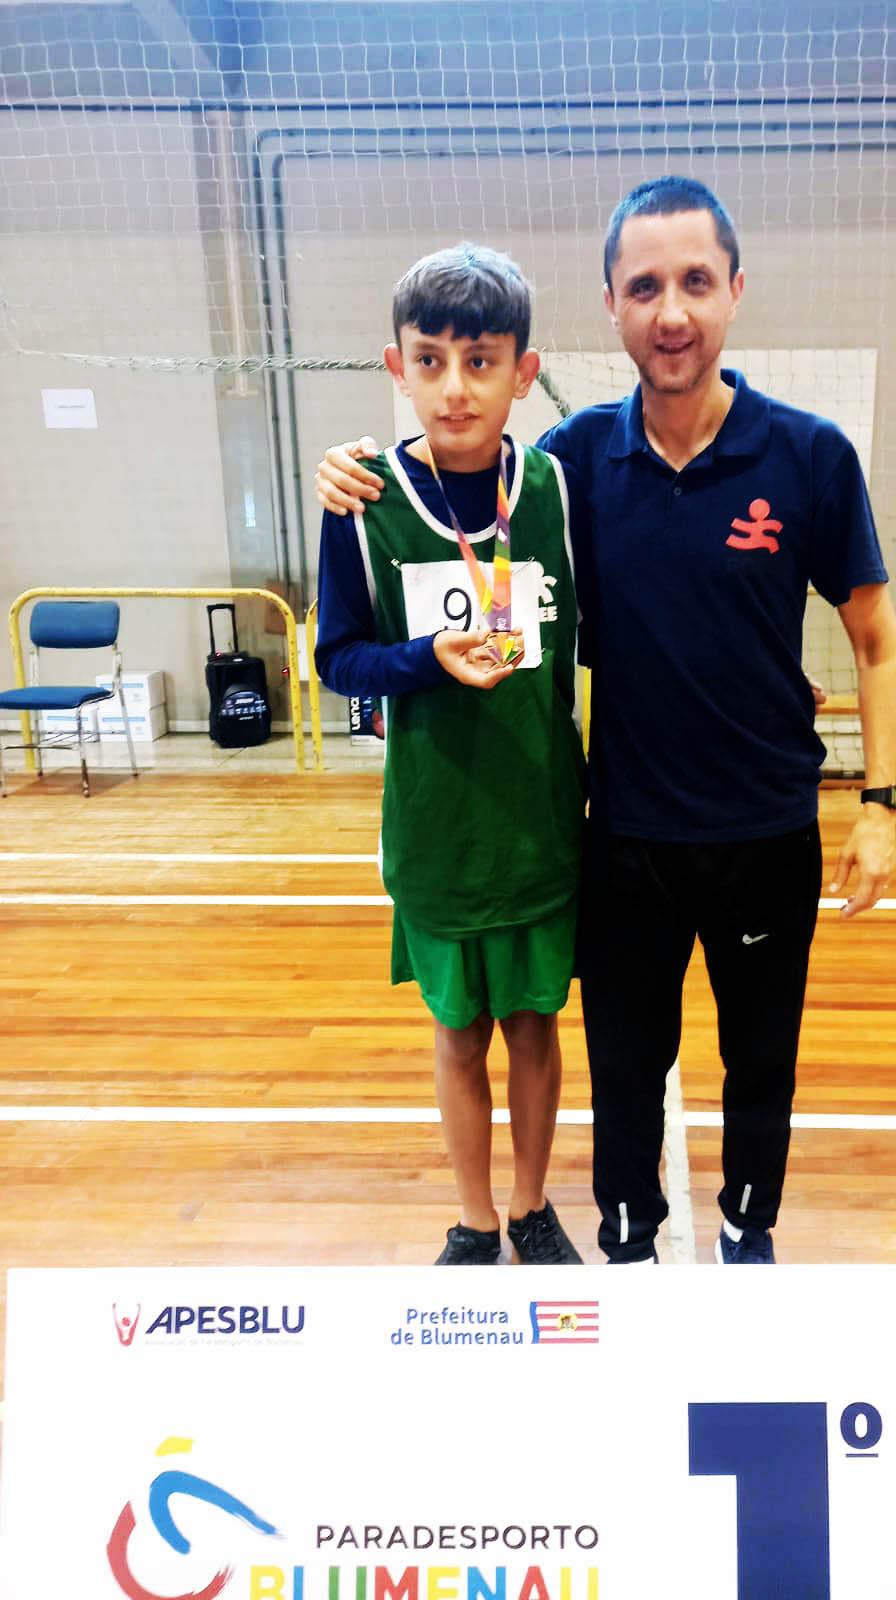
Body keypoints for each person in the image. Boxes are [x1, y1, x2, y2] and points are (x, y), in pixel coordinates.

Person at [315, 178, 896, 1266]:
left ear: (734, 291)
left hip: (768, 828)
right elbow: (458, 481)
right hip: (624, 833)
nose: (670, 311)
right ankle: (625, 1239)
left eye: (693, 282)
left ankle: (747, 1230)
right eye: (645, 287)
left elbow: (876, 638)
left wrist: (879, 803)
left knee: (760, 1059)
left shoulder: (811, 454)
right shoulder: (573, 462)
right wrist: (355, 470)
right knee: (625, 1066)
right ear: (613, 307)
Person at [313, 244, 587, 1267]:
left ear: (524, 368)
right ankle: (473, 1216)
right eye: (430, 361)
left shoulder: (556, 489)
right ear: (397, 366)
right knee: (458, 1033)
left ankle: (529, 1203)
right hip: (435, 823)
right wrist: (427, 659)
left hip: (541, 817)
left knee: (535, 1026)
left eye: (480, 361)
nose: (454, 386)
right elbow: (340, 658)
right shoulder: (362, 500)